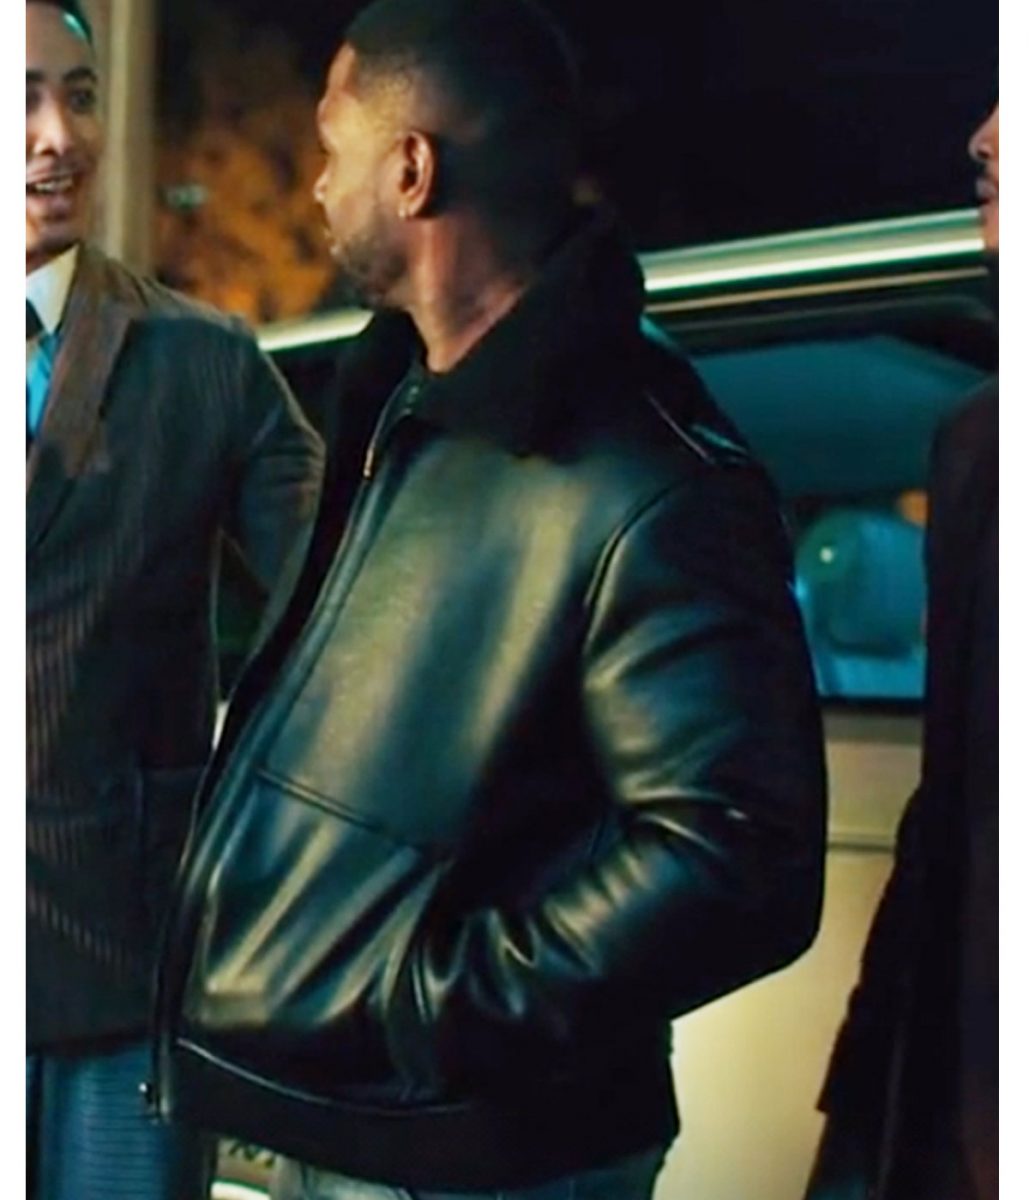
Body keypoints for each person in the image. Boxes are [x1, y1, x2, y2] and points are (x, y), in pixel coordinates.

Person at [151, 2, 827, 1197]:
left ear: (411, 171)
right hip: (364, 1128)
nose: (317, 184)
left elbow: (736, 858)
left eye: (334, 145)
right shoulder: (404, 405)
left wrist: (425, 1008)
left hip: (481, 1153)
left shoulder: (651, 474)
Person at [26, 2, 325, 1197]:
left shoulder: (204, 365)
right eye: (21, 99)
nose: (58, 135)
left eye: (80, 94)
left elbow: (350, 616)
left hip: (122, 971)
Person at [805, 105, 999, 1200]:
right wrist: (866, 1103)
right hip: (950, 1103)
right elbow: (949, 811)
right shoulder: (978, 444)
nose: (981, 136)